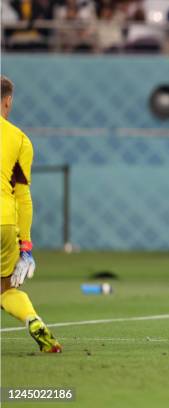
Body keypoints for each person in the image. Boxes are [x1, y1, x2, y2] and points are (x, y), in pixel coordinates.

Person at [0, 76, 62, 353]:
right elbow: (22, 197)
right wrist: (25, 246)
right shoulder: (20, 139)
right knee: (5, 290)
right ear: (8, 100)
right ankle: (32, 319)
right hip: (5, 221)